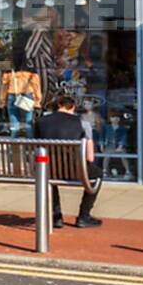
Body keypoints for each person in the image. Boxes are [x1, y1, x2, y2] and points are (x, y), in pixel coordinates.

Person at [37, 93, 103, 228]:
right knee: (98, 174)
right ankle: (84, 216)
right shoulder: (82, 123)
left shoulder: (40, 122)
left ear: (58, 106)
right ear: (72, 107)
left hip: (48, 169)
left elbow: (36, 148)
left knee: (48, 172)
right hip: (75, 170)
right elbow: (90, 157)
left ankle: (56, 216)